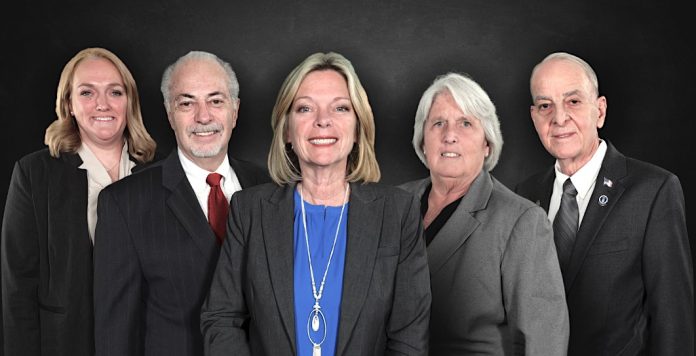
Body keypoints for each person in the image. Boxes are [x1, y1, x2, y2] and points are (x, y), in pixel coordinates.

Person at [200, 52, 431, 356]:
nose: (323, 120)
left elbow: (409, 339)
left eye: (340, 108)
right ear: (286, 131)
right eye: (305, 108)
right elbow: (221, 318)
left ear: (359, 128)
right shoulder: (249, 210)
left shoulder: (398, 213)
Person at [515, 52, 694, 355]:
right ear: (535, 117)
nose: (559, 118)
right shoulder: (524, 194)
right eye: (546, 106)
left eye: (573, 101)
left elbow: (673, 320)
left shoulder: (653, 190)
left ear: (599, 111)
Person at [93, 50, 269, 356]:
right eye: (187, 103)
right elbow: (115, 334)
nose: (203, 116)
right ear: (169, 113)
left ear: (235, 110)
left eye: (216, 100)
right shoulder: (124, 204)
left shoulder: (268, 187)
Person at [1, 47, 157, 356]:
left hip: (145, 342)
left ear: (130, 102)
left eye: (115, 92)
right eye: (87, 92)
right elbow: (18, 287)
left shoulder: (161, 173)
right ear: (68, 104)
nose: (103, 104)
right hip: (66, 343)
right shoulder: (34, 174)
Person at [399, 72, 569, 355]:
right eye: (438, 123)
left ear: (487, 143)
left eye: (465, 123)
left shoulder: (521, 221)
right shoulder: (394, 204)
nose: (449, 135)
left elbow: (545, 342)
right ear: (423, 141)